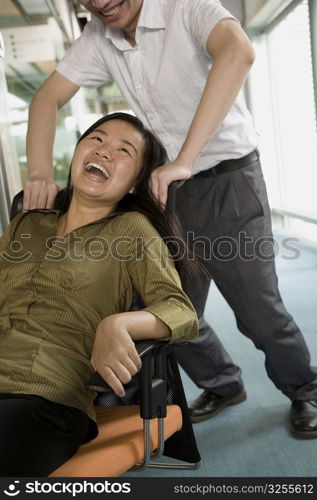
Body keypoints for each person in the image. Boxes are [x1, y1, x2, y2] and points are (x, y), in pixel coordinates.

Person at [23, 0, 317, 437]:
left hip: (227, 182)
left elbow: (239, 51)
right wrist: (41, 175)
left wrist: (185, 159)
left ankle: (305, 389)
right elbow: (47, 98)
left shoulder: (188, 7)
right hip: (166, 191)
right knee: (170, 310)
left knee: (258, 309)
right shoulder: (98, 36)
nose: (99, 2)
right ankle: (223, 383)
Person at [0, 113, 198, 477]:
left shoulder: (131, 230)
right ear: (76, 153)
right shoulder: (27, 224)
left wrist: (119, 323)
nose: (105, 152)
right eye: (97, 139)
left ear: (135, 186)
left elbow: (182, 312)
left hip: (43, 395)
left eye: (124, 150)